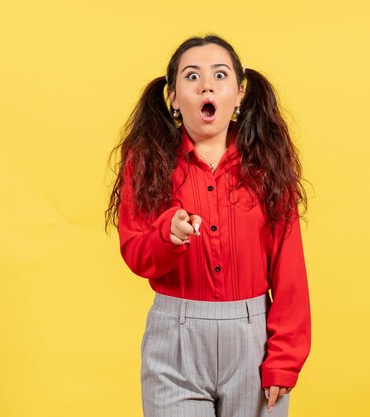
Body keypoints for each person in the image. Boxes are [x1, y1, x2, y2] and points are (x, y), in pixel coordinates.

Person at [105, 34, 311, 417]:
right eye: (191, 76)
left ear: (239, 93)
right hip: (174, 343)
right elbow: (135, 252)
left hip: (254, 341)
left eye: (220, 74)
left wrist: (285, 358)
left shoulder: (267, 166)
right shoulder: (147, 163)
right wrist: (167, 234)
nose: (207, 84)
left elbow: (289, 268)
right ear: (172, 97)